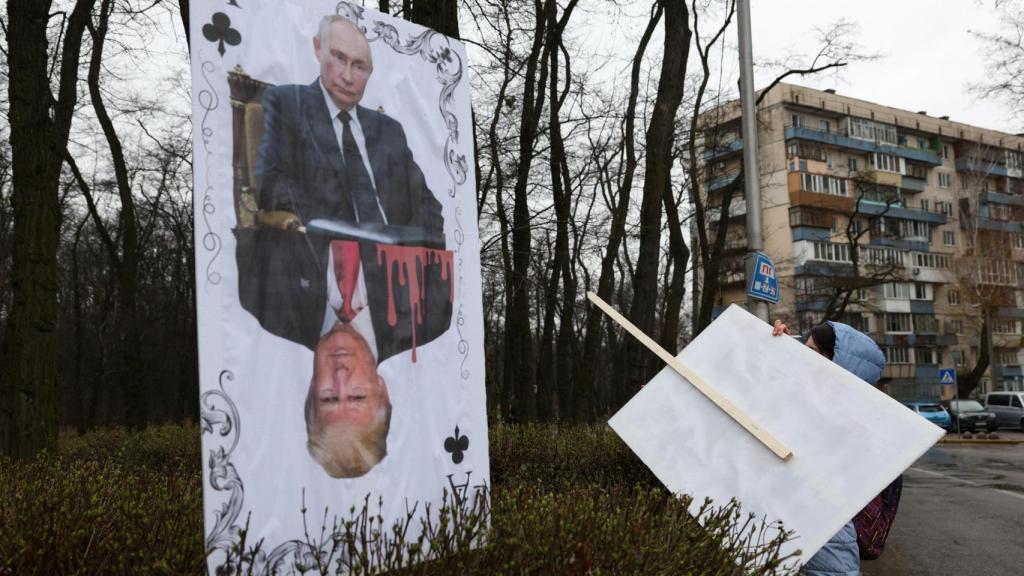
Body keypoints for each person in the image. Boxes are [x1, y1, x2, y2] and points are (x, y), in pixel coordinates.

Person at [234, 15, 452, 359]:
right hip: (324, 260)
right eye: (338, 58)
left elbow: (427, 203)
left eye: (360, 66)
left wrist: (414, 247)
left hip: (394, 267)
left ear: (370, 72)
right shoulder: (287, 104)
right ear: (318, 50)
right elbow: (270, 182)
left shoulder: (388, 130)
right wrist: (340, 230)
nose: (348, 76)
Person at [772, 318, 886, 576]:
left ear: (836, 366)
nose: (802, 358)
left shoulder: (852, 423)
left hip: (827, 538)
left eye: (810, 352)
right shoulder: (810, 406)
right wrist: (776, 350)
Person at [305, 321, 391, 478]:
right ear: (381, 389)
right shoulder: (431, 320)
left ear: (312, 387)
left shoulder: (268, 313)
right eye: (357, 396)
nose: (340, 375)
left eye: (328, 398)